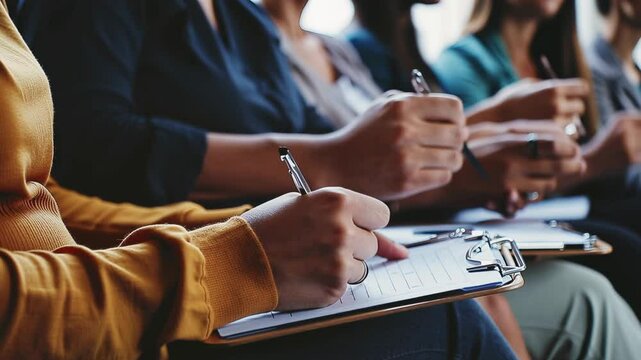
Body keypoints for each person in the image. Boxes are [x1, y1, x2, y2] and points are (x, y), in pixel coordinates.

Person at [0, 1, 523, 358]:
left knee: (476, 299)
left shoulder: (245, 19)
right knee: (455, 322)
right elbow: (95, 148)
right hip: (118, 309)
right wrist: (227, 260)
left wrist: (232, 231)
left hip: (118, 296)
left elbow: (43, 200)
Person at [432, 0, 641, 317]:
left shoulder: (561, 61)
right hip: (502, 228)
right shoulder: (462, 64)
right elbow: (475, 180)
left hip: (564, 212)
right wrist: (595, 159)